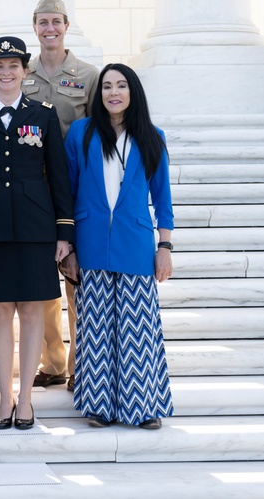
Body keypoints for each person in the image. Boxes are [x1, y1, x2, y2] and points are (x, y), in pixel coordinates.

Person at [0, 36, 74, 430]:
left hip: (34, 228)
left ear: (25, 71)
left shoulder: (44, 114)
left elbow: (58, 175)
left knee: (31, 312)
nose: (6, 72)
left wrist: (64, 231)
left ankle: (25, 398)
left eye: (13, 65)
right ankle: (4, 397)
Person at [63, 63, 174, 430]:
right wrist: (71, 247)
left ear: (132, 92)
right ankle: (98, 405)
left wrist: (165, 246)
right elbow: (68, 191)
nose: (113, 92)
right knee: (94, 328)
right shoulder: (81, 133)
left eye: (121, 85)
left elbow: (163, 199)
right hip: (91, 241)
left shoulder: (151, 137)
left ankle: (143, 406)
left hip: (136, 243)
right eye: (107, 86)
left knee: (137, 330)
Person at [23, 0, 100, 393]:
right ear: (34, 27)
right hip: (32, 190)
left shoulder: (88, 75)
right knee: (40, 282)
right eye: (42, 22)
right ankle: (51, 362)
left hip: (73, 188)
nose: (49, 29)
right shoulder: (22, 72)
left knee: (75, 279)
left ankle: (78, 366)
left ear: (67, 26)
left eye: (56, 21)